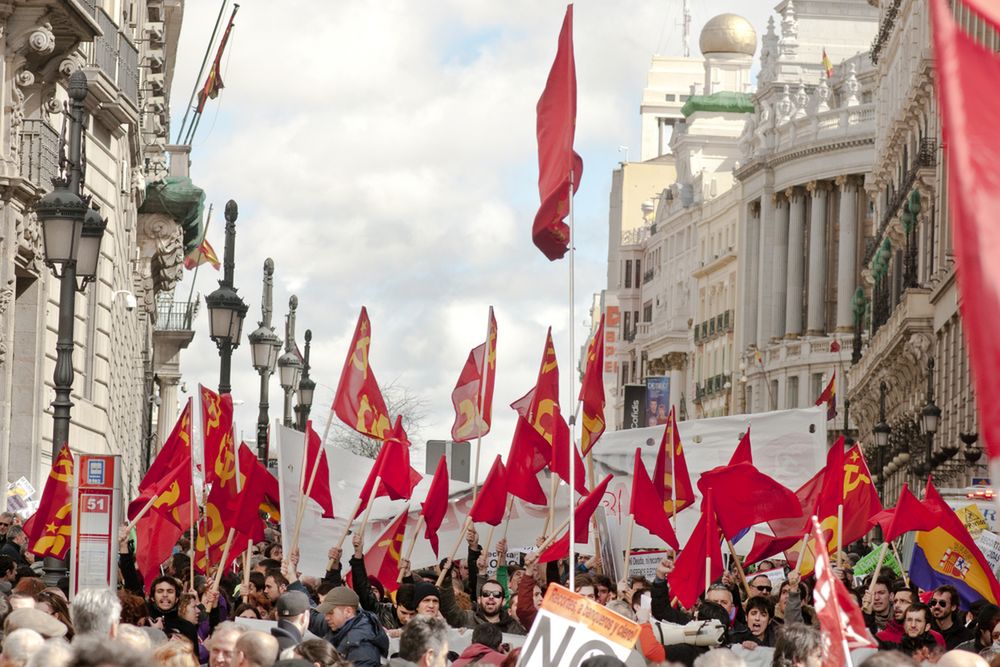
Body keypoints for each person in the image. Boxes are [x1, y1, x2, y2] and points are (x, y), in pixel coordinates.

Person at [311, 586, 388, 667]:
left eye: (330, 612)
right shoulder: (339, 626)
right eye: (326, 613)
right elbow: (313, 618)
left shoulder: (362, 648)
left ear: (348, 611)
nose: (326, 617)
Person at [440, 572, 526, 634]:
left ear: (503, 601)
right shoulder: (466, 619)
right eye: (486, 594)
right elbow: (449, 610)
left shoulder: (514, 628)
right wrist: (446, 579)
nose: (491, 597)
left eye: (496, 594)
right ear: (479, 600)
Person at [932, 585, 975, 649]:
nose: (936, 606)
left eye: (942, 603)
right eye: (934, 602)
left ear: (953, 607)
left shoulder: (966, 637)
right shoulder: (924, 630)